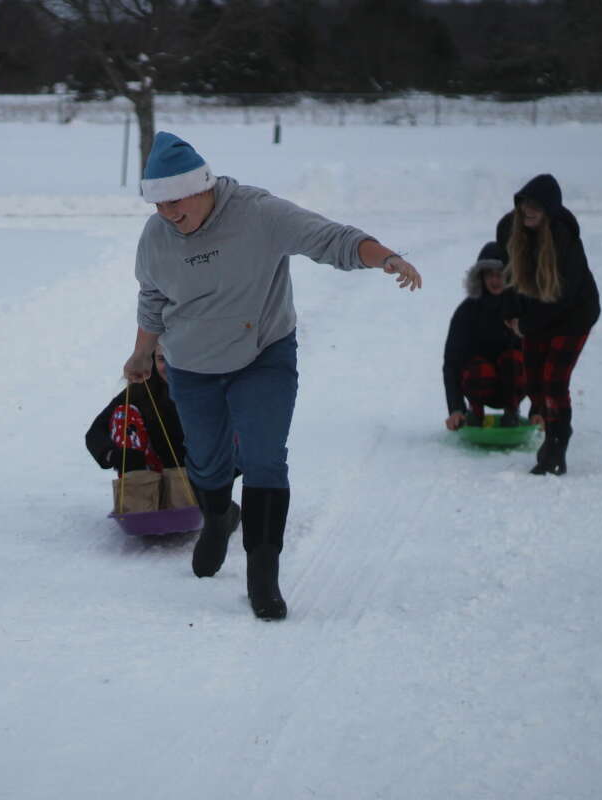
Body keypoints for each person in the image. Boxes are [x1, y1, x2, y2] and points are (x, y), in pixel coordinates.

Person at [122, 131, 422, 620]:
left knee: (263, 459)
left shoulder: (258, 213)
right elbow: (152, 298)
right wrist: (141, 353)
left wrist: (385, 255)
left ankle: (263, 573)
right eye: (158, 204)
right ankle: (219, 517)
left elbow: (332, 238)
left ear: (204, 186)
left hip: (263, 354)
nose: (168, 213)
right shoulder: (156, 237)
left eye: (176, 200)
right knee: (207, 463)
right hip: (191, 364)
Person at [496, 173, 600, 476]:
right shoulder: (509, 229)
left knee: (555, 381)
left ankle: (557, 443)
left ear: (550, 211)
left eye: (536, 208)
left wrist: (526, 325)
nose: (528, 211)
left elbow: (563, 296)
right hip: (536, 310)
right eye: (525, 204)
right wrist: (511, 315)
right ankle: (549, 431)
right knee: (534, 381)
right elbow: (509, 277)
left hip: (573, 315)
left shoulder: (564, 238)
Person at [442, 241, 527, 431]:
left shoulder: (521, 309)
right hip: (479, 384)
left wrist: (539, 410)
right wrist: (456, 409)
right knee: (478, 368)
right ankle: (475, 414)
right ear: (480, 276)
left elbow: (538, 358)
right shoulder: (467, 312)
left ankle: (512, 412)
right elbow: (452, 363)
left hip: (513, 385)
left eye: (501, 275)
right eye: (490, 274)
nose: (495, 281)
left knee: (514, 360)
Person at [86, 348, 188, 476]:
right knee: (124, 414)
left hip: (196, 473)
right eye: (162, 359)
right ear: (153, 361)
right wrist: (113, 455)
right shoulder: (140, 390)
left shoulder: (206, 388)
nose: (169, 367)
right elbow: (96, 431)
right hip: (150, 475)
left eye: (175, 359)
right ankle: (138, 486)